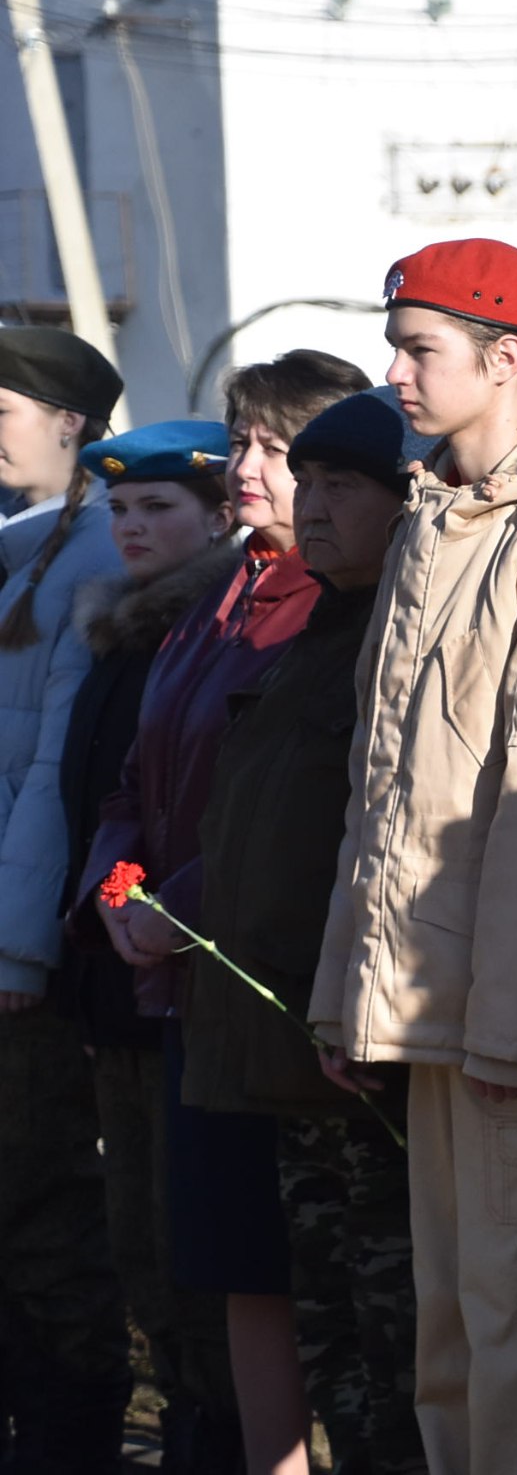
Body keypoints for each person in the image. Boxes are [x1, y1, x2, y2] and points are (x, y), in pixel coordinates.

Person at [309, 238, 517, 1475]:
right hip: (432, 1003)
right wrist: (349, 993)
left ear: (505, 359)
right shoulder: (433, 523)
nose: (393, 372)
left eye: (418, 349)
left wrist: (510, 1019)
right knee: (453, 1329)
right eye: (394, 344)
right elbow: (379, 789)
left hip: (516, 1017)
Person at [87, 353, 367, 1475]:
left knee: (313, 1273)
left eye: (273, 448)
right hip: (189, 977)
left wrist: (180, 909)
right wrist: (120, 885)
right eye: (243, 443)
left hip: (269, 976)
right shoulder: (224, 591)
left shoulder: (327, 606)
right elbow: (138, 772)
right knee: (231, 1260)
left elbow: (292, 812)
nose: (244, 466)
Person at [191, 391, 426, 1475]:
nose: (312, 505)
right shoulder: (321, 630)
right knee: (334, 1341)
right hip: (287, 1048)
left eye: (344, 486)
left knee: (398, 1351)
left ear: (405, 499)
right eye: (311, 481)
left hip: (364, 1058)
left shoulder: (400, 631)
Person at [57, 418, 243, 1474]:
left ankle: (214, 1445)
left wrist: (153, 907)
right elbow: (111, 805)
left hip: (187, 986)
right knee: (142, 1247)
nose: (131, 527)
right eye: (119, 510)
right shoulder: (131, 634)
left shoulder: (214, 630)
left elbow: (214, 812)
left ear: (217, 513)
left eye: (158, 508)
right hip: (118, 977)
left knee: (194, 1253)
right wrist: (111, 905)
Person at [0, 327, 129, 1470]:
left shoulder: (95, 554)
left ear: (69, 423)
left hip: (20, 956)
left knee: (41, 1202)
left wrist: (19, 952)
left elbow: (51, 772)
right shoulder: (17, 544)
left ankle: (69, 1440)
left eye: (3, 409)